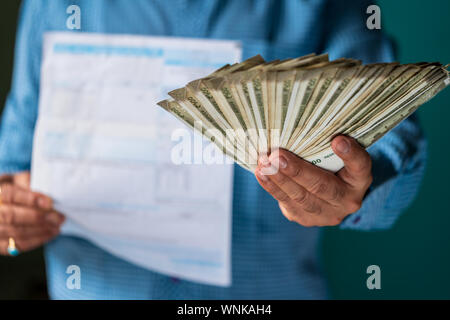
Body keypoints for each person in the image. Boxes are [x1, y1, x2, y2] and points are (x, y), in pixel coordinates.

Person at [0, 0, 426, 299]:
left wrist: (357, 191)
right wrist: (9, 226)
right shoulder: (55, 5)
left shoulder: (322, 5)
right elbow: (12, 166)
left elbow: (393, 137)